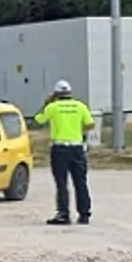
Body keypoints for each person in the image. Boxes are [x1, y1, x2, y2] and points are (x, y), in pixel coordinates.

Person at [34, 80, 95, 225]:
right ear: (70, 93)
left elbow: (38, 120)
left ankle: (63, 214)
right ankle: (84, 214)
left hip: (60, 149)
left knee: (61, 182)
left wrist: (47, 103)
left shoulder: (53, 107)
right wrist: (79, 132)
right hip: (77, 148)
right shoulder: (80, 106)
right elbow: (90, 124)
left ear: (56, 93)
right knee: (80, 181)